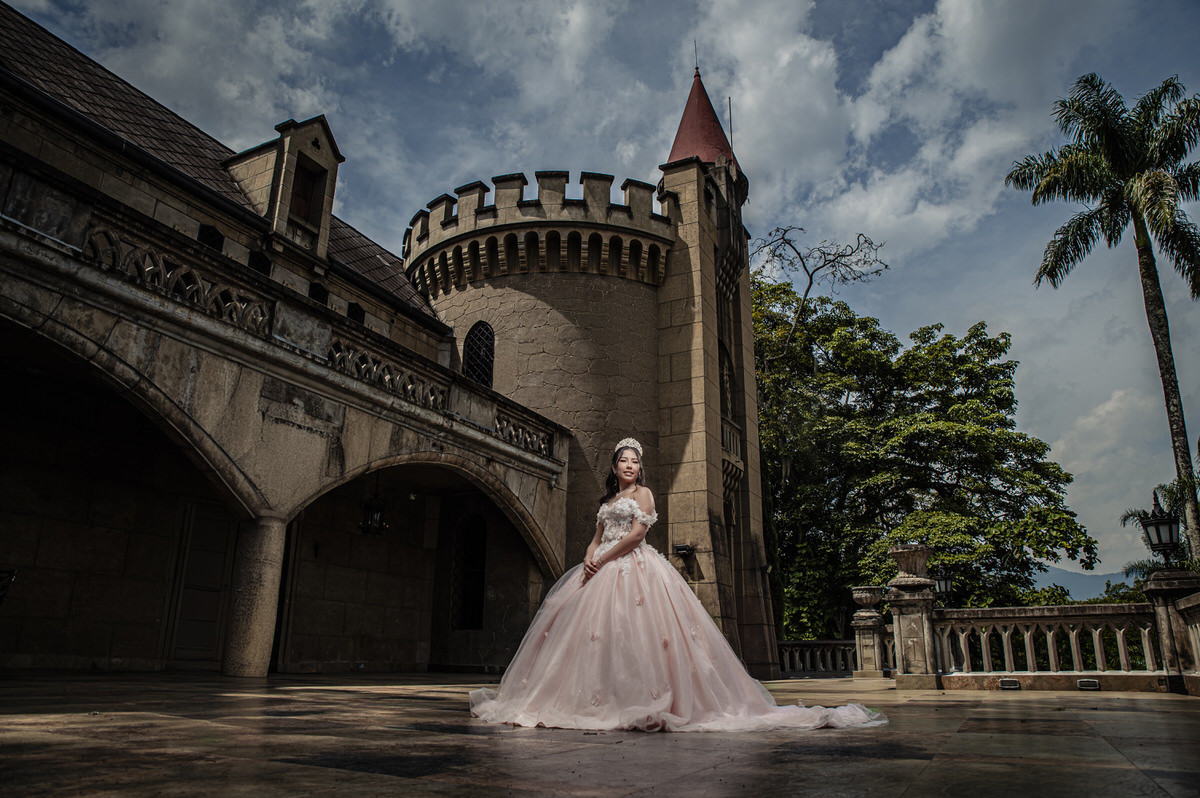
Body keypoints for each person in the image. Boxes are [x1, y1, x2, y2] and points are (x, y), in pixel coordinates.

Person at [469, 437, 885, 732]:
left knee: (643, 634)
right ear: (614, 468)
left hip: (633, 568)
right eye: (623, 461)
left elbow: (636, 536)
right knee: (592, 638)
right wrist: (589, 557)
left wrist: (605, 559)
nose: (629, 466)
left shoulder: (644, 495)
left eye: (634, 462)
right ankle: (594, 698)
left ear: (640, 468)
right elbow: (597, 536)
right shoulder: (607, 502)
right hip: (598, 569)